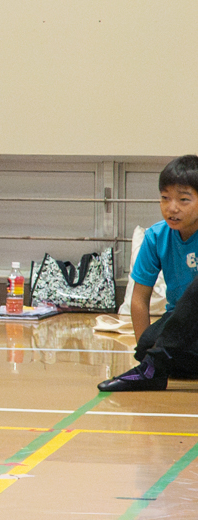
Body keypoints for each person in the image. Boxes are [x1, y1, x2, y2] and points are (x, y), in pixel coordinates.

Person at [101, 157, 198, 390]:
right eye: (165, 198)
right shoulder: (155, 237)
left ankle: (154, 366)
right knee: (146, 345)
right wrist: (148, 355)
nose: (172, 207)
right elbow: (139, 298)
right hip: (180, 325)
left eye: (184, 200)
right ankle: (154, 365)